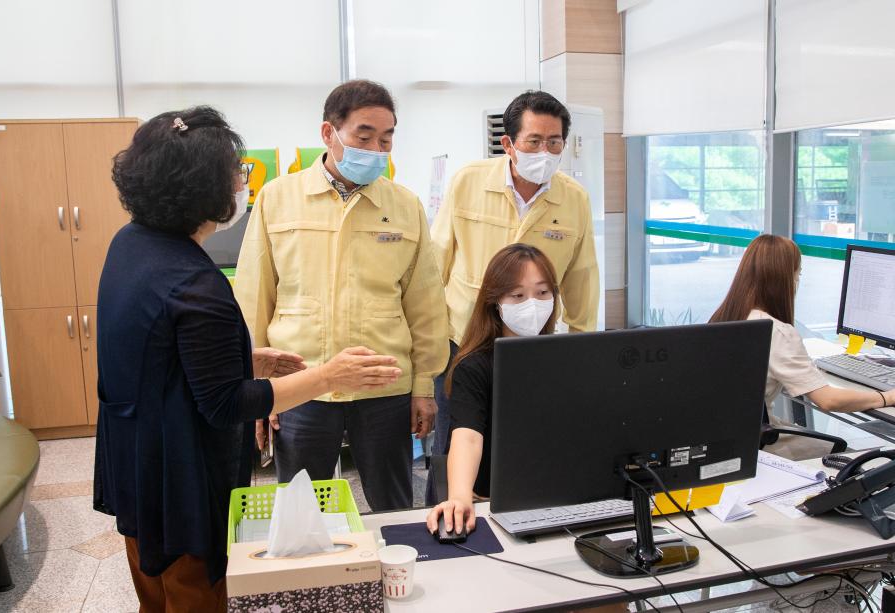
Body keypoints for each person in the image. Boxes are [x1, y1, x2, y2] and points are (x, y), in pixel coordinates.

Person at [95, 106, 401, 611]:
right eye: (236, 172)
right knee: (193, 590)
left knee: (154, 590)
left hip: (134, 460)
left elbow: (156, 352)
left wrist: (241, 356)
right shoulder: (198, 283)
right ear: (203, 188)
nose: (242, 182)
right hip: (180, 477)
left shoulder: (131, 245)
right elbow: (226, 404)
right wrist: (330, 375)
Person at [234, 80, 449, 512]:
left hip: (382, 381)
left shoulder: (405, 205)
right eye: (363, 136)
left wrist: (424, 384)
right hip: (300, 381)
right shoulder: (278, 198)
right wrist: (258, 390)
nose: (375, 148)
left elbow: (425, 304)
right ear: (329, 134)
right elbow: (254, 296)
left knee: (393, 505)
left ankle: (397, 576)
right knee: (301, 506)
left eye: (386, 139)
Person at [428, 90, 600, 473]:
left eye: (554, 142)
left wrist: (578, 347)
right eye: (534, 141)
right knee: (455, 438)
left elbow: (582, 275)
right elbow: (435, 261)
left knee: (525, 437)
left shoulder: (574, 199)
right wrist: (429, 341)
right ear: (508, 143)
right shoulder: (469, 181)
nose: (545, 152)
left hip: (532, 343)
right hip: (463, 339)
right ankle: (446, 510)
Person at [426, 244, 559, 535]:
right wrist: (460, 496)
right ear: (494, 301)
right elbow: (468, 437)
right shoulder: (474, 366)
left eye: (542, 292)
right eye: (517, 295)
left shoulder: (562, 357)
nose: (532, 304)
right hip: (491, 501)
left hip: (548, 499)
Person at [710, 234, 895, 413]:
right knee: (839, 445)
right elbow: (828, 400)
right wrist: (887, 397)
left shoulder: (727, 315)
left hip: (727, 436)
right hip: (760, 439)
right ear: (785, 280)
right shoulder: (775, 331)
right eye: (798, 274)